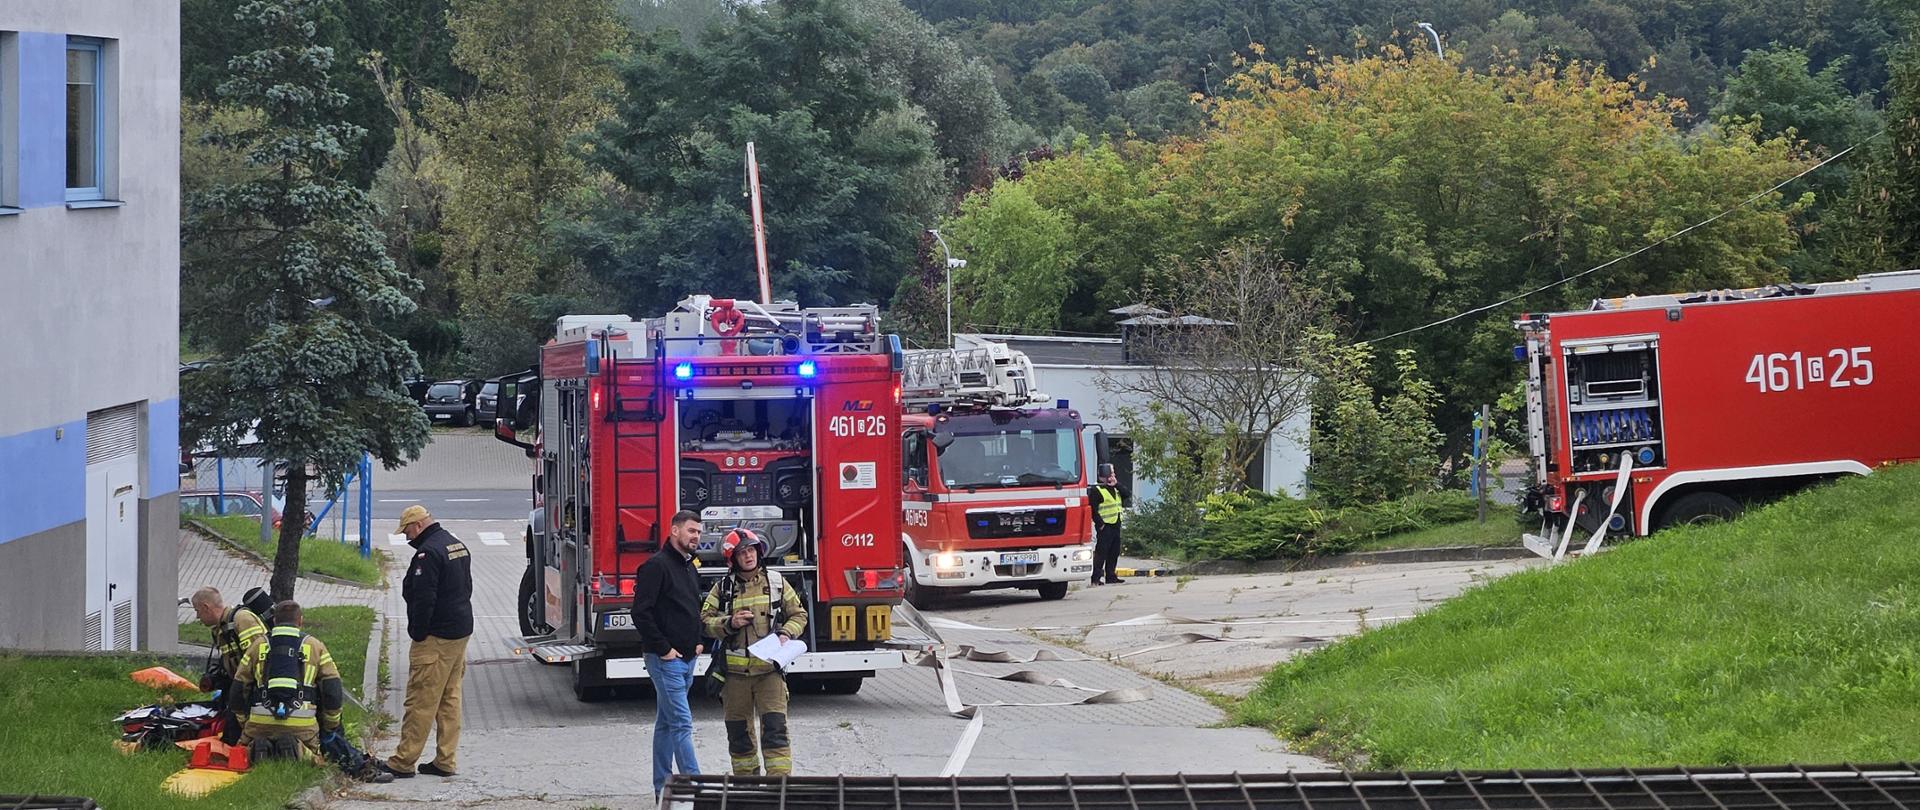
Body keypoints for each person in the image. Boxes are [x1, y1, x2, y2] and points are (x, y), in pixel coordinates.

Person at [226, 600, 392, 783]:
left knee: (251, 738)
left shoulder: (257, 646)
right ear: (300, 621)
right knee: (329, 738)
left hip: (258, 724)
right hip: (303, 727)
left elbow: (237, 690)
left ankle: (259, 748)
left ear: (274, 621)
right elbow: (332, 691)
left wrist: (245, 722)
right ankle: (307, 753)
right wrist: (330, 725)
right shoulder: (315, 646)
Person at [700, 529, 808, 776]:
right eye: (742, 553)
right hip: (734, 678)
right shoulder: (723, 588)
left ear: (759, 552)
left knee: (775, 732)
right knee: (739, 736)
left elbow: (799, 615)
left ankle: (779, 788)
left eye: (751, 550)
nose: (748, 556)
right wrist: (729, 622)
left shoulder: (777, 583)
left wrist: (786, 633)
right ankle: (746, 788)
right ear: (732, 559)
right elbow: (704, 622)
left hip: (770, 674)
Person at [381, 505, 473, 779]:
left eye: (407, 531)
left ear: (418, 525)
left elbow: (423, 600)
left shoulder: (428, 553)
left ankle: (403, 761)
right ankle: (445, 760)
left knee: (420, 700)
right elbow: (467, 587)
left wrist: (418, 633)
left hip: (436, 638)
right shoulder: (455, 544)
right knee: (449, 699)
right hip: (459, 633)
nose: (406, 537)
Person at [631, 511, 706, 796]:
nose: (696, 536)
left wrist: (698, 641)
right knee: (682, 724)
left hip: (687, 659)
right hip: (666, 662)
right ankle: (695, 790)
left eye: (698, 532)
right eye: (691, 531)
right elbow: (640, 612)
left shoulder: (689, 566)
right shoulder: (656, 567)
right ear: (675, 531)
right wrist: (664, 649)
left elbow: (692, 608)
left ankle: (662, 790)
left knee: (666, 724)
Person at [190, 586, 264, 733]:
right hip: (240, 688)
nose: (198, 617)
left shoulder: (242, 620)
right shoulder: (221, 629)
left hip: (253, 689)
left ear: (206, 607)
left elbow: (260, 659)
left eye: (197, 611)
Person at [1087, 463, 1131, 585]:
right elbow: (1093, 510)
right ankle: (1096, 578)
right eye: (1111, 473)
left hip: (1116, 523)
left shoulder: (1115, 487)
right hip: (1105, 526)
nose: (1114, 475)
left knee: (1114, 551)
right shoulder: (1097, 490)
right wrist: (1100, 524)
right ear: (1105, 474)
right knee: (1101, 552)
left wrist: (1117, 484)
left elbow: (1127, 494)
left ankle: (1111, 576)